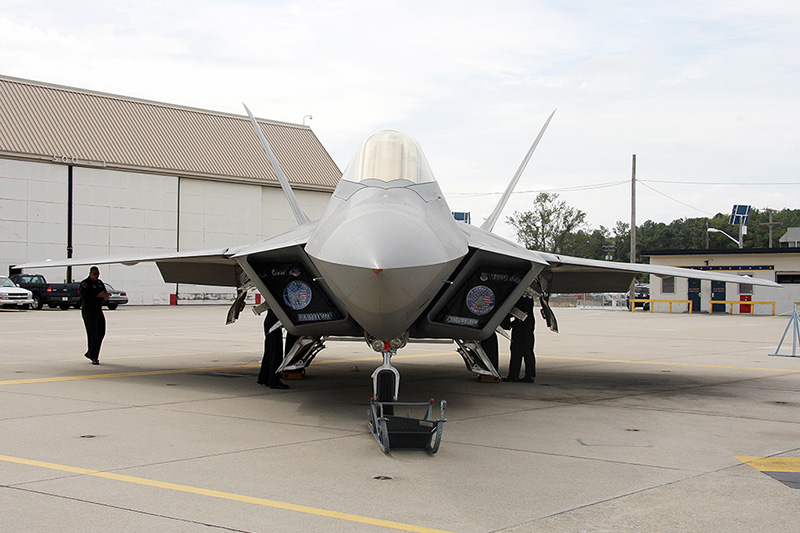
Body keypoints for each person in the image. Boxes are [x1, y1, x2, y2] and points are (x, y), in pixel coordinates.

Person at [79, 266, 109, 365]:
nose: (96, 276)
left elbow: (104, 294)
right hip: (89, 311)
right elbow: (85, 297)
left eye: (98, 274)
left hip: (98, 310)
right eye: (95, 274)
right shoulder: (85, 284)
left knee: (101, 332)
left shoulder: (99, 283)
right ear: (90, 274)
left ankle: (91, 352)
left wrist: (105, 297)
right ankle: (94, 356)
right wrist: (97, 296)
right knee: (92, 334)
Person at [503, 295, 535, 383]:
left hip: (521, 327)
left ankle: (514, 375)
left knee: (517, 351)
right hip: (526, 326)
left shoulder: (521, 298)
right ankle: (529, 375)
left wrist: (507, 323)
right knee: (527, 351)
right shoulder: (528, 298)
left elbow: (516, 311)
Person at [257, 309, 290, 389]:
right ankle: (274, 380)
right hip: (274, 325)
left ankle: (263, 377)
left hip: (271, 322)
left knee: (269, 352)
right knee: (275, 353)